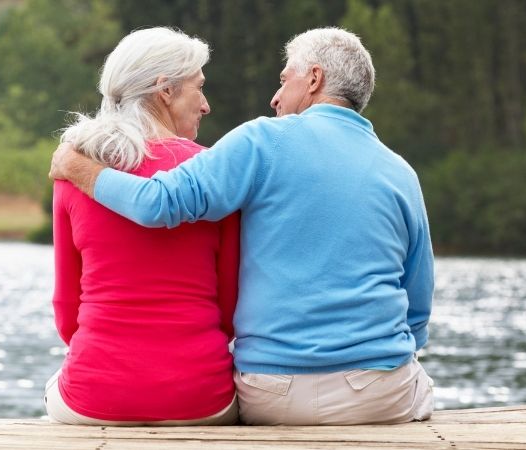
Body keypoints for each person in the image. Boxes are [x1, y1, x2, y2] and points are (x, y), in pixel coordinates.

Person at [50, 27, 435, 426]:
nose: (275, 97)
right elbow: (418, 304)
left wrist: (79, 168)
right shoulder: (402, 173)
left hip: (274, 392)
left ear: (315, 79)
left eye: (284, 80)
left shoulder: (260, 143)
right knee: (418, 382)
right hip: (378, 393)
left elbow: (159, 202)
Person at [44, 27, 240, 426]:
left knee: (51, 389)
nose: (206, 106)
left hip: (93, 393)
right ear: (164, 91)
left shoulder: (74, 172)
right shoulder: (215, 174)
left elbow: (67, 313)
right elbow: (229, 309)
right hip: (201, 397)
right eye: (198, 88)